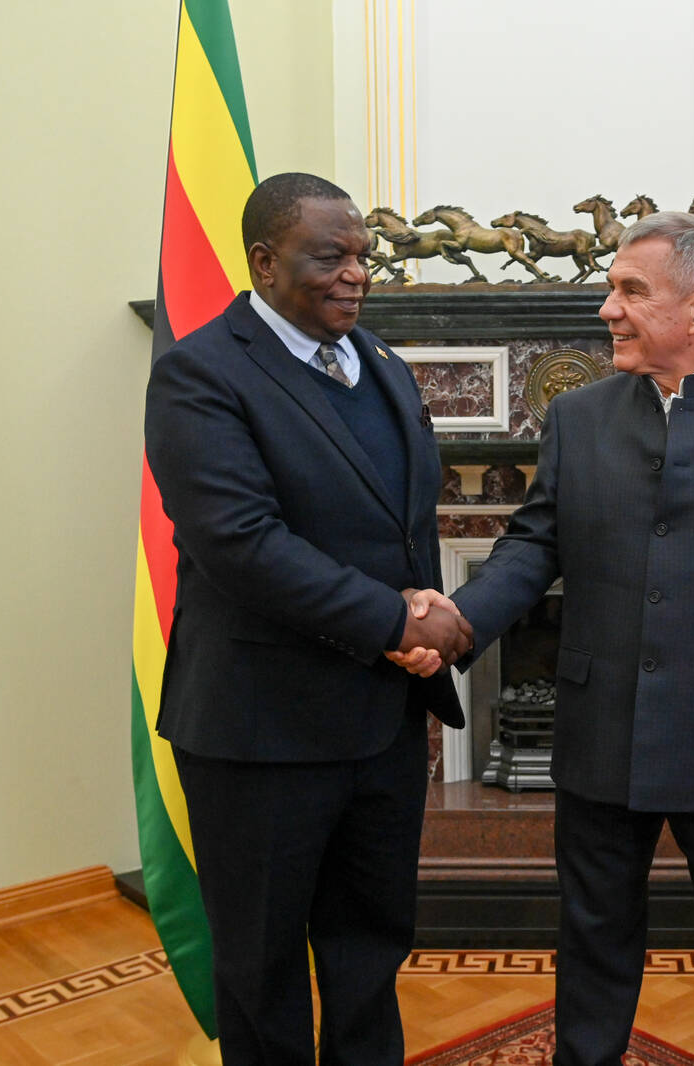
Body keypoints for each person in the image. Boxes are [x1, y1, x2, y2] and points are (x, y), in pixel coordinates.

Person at [398, 211, 694, 1066]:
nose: (606, 308)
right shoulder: (577, 417)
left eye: (630, 291)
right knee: (594, 944)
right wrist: (458, 623)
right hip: (603, 727)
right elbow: (530, 548)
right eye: (611, 288)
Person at [144, 171, 471, 1066]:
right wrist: (397, 624)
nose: (355, 274)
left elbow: (402, 527)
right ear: (264, 260)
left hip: (380, 725)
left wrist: (423, 613)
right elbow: (241, 544)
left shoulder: (384, 363)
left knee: (369, 954)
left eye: (363, 256)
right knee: (263, 971)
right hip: (260, 730)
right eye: (330, 257)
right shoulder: (199, 373)